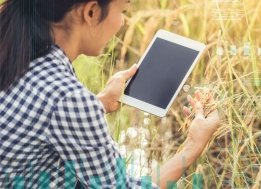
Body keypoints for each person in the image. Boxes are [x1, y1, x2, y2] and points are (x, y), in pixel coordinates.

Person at [0, 0, 220, 188]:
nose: (122, 23)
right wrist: (193, 146)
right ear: (92, 12)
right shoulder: (69, 98)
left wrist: (100, 103)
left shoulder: (16, 51)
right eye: (122, 10)